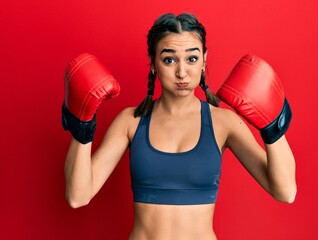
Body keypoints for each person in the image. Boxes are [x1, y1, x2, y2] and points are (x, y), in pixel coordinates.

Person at [62, 13, 296, 240]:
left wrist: (273, 128)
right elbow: (77, 196)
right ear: (153, 62)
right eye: (169, 59)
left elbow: (285, 192)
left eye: (192, 59)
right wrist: (81, 128)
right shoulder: (130, 121)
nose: (182, 72)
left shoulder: (223, 123)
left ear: (205, 59)